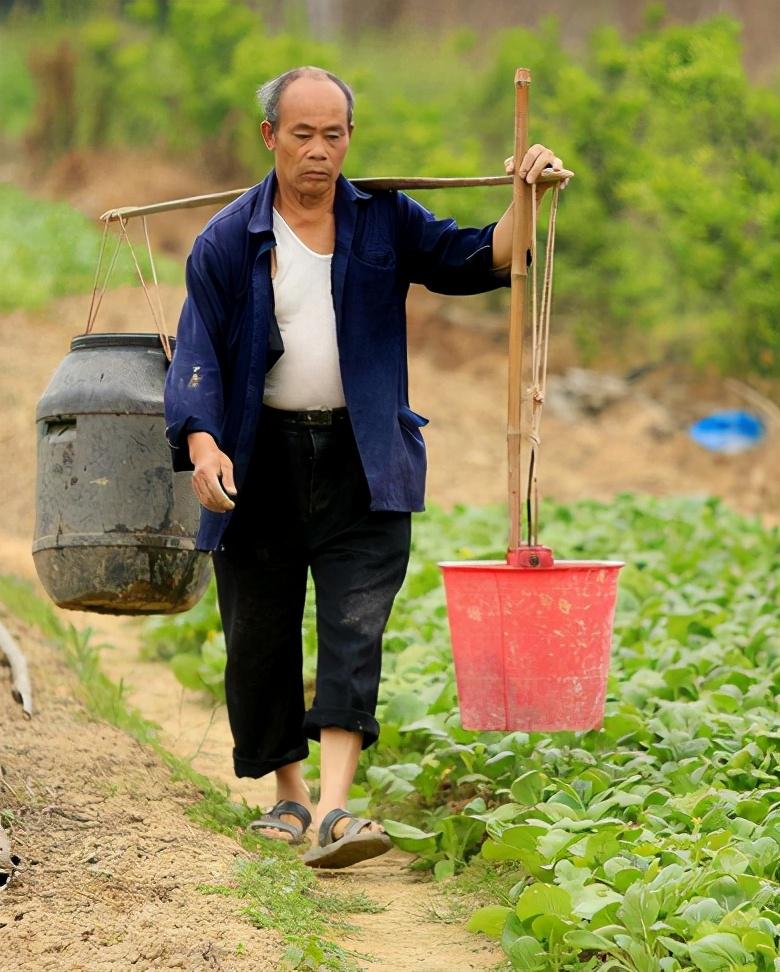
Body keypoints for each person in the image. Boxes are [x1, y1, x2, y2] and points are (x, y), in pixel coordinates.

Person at [164, 66, 565, 868]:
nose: (319, 151)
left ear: (351, 137)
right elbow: (196, 358)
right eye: (302, 134)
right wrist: (202, 446)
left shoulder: (384, 222)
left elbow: (484, 256)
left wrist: (529, 195)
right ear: (269, 136)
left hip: (363, 455)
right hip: (260, 461)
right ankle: (288, 794)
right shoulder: (226, 240)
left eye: (334, 134)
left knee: (355, 627)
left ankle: (339, 808)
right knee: (260, 633)